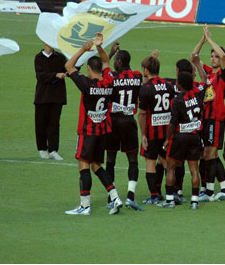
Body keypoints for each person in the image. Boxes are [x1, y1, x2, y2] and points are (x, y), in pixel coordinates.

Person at [64, 33, 123, 215]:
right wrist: (99, 46)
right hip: (103, 131)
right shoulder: (108, 82)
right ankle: (115, 198)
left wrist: (84, 48)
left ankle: (85, 206)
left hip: (87, 131)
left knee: (84, 165)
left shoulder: (86, 84)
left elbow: (68, 66)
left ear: (89, 69)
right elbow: (106, 62)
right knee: (97, 165)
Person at [191, 26, 225, 201]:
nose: (214, 58)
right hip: (204, 117)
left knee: (209, 154)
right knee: (208, 155)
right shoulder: (208, 72)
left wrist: (210, 40)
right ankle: (221, 189)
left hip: (216, 117)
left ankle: (210, 191)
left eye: (216, 56)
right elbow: (194, 57)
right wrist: (202, 39)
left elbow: (223, 56)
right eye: (212, 56)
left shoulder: (224, 75)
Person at [105, 42, 143, 211]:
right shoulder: (137, 76)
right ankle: (130, 197)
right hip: (129, 122)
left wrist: (111, 53)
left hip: (113, 122)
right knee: (133, 160)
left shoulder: (112, 77)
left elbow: (104, 67)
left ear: (119, 61)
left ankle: (110, 198)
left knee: (110, 161)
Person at [159, 71, 205, 209]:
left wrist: (167, 139)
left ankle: (169, 200)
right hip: (194, 136)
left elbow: (173, 122)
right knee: (194, 169)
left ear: (179, 84)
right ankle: (195, 202)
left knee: (171, 167)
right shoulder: (198, 96)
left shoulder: (177, 100)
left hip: (179, 137)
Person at [138, 55, 175, 204]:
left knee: (150, 163)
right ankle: (171, 193)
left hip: (152, 132)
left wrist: (143, 135)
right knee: (167, 163)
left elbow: (142, 114)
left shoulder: (146, 88)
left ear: (146, 69)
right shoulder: (168, 86)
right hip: (167, 131)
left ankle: (154, 195)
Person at [34, 42, 67, 160]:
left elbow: (67, 69)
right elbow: (41, 76)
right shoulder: (38, 58)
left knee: (54, 124)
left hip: (57, 96)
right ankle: (42, 149)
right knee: (41, 123)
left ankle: (53, 150)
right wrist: (56, 75)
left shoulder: (60, 57)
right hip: (42, 96)